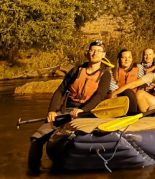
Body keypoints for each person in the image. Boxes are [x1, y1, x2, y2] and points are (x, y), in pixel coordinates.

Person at [28, 40, 111, 172]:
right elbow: (60, 91)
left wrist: (82, 110)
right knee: (36, 139)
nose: (94, 53)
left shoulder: (105, 74)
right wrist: (52, 111)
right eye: (92, 50)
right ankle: (33, 172)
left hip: (88, 113)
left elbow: (100, 96)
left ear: (103, 55)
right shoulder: (76, 70)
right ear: (88, 53)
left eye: (98, 51)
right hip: (66, 110)